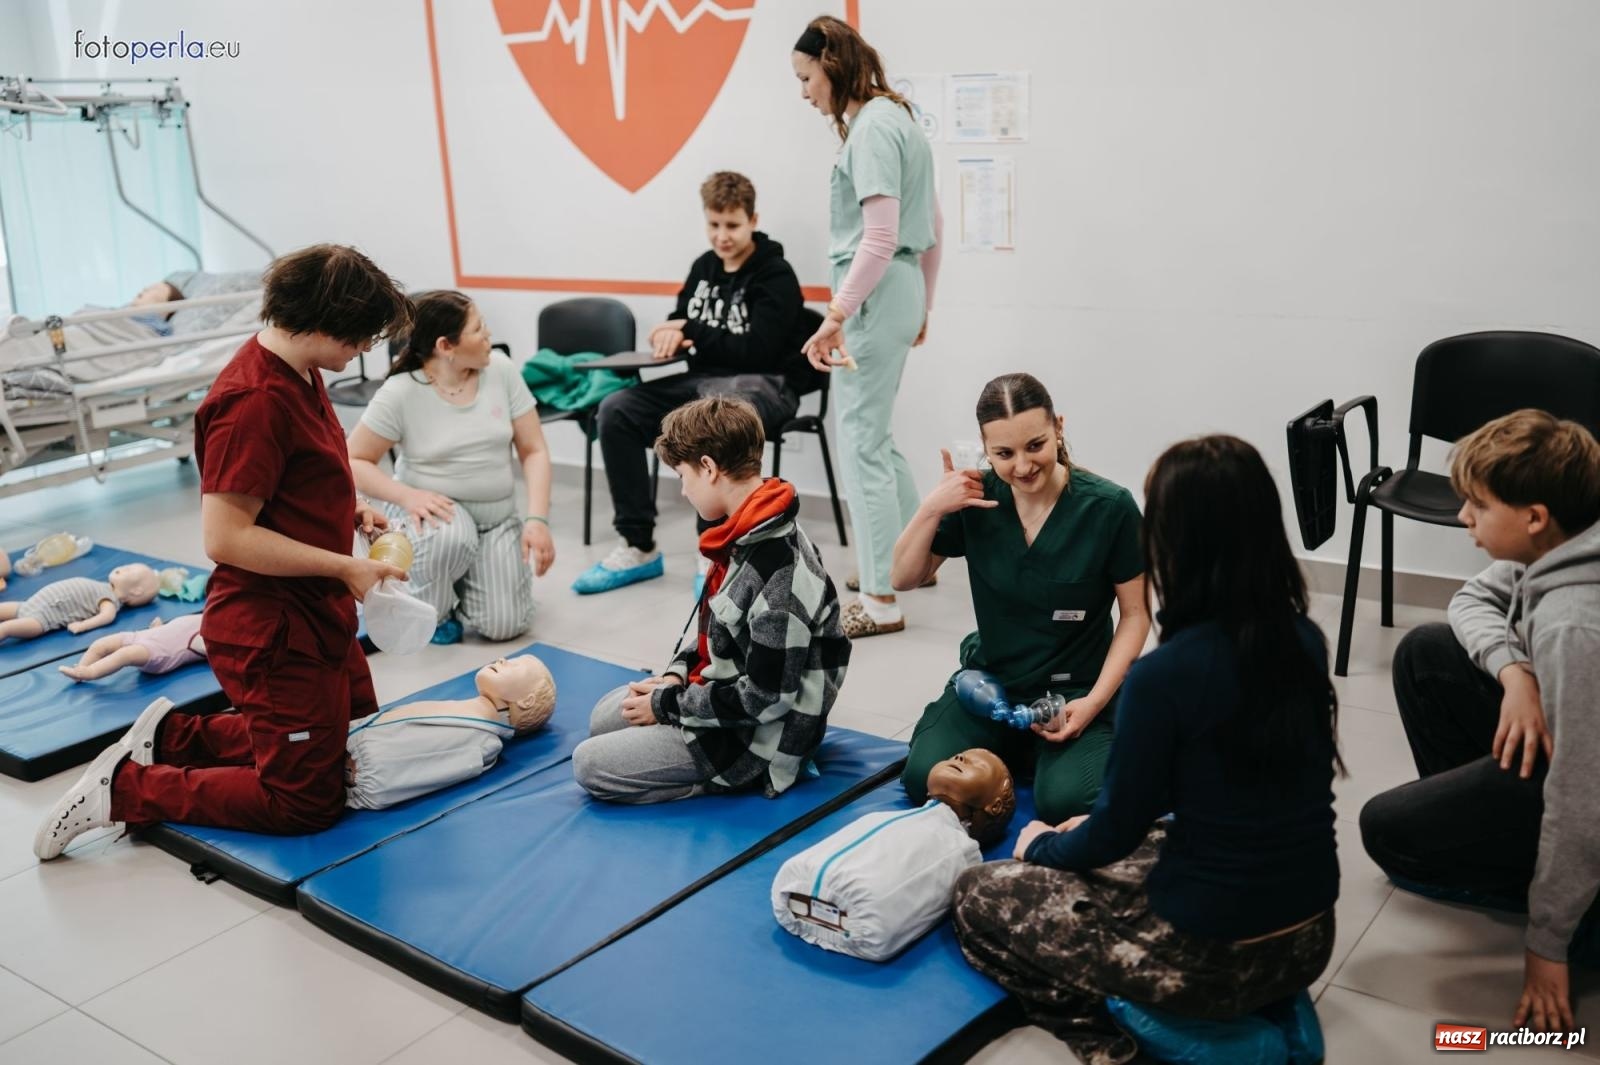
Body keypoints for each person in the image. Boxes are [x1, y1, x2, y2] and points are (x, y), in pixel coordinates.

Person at [952, 435, 1343, 1064]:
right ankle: (1277, 1012)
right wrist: (1105, 830)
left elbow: (1110, 834)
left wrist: (1041, 847)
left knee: (978, 893)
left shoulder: (1163, 678)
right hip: (1310, 936)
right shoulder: (1302, 639)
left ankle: (1124, 1039)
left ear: (1171, 540)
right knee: (1149, 843)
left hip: (1211, 959)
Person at [33, 243, 412, 860]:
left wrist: (350, 512)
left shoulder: (303, 371)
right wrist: (344, 566)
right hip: (273, 626)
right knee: (305, 803)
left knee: (355, 736)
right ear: (319, 321)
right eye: (361, 335)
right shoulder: (253, 401)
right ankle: (125, 789)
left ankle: (170, 737)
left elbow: (296, 482)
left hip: (316, 610)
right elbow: (227, 538)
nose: (365, 349)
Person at [1359, 409, 1600, 1034]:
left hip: (1588, 795)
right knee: (1427, 651)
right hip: (1565, 744)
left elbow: (1581, 798)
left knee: (1386, 832)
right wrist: (1515, 673)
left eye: (1477, 506)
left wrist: (1547, 944)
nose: (1463, 517)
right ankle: (1499, 836)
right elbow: (1471, 599)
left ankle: (1575, 916)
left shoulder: (1576, 623)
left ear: (1534, 517)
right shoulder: (1561, 541)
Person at [893, 374, 1149, 823]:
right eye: (1004, 454)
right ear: (985, 448)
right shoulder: (975, 498)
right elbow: (903, 577)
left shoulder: (1109, 508)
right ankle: (1021, 747)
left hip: (1075, 690)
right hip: (994, 685)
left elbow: (1135, 615)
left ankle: (1064, 750)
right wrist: (932, 507)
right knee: (924, 779)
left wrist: (1093, 702)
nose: (1023, 466)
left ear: (1059, 428)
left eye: (1036, 445)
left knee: (1067, 803)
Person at [572, 396, 850, 803]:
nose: (682, 491)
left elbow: (767, 699)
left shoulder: (782, 574)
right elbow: (715, 633)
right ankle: (673, 722)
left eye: (683, 476)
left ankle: (712, 781)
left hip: (750, 741)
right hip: (716, 691)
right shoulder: (745, 530)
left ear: (708, 467)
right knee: (603, 718)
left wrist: (668, 705)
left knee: (589, 764)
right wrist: (676, 676)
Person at [577, 171, 809, 595]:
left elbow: (759, 349)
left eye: (732, 225)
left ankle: (716, 552)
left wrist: (692, 329)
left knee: (715, 426)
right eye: (714, 225)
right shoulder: (703, 267)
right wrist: (670, 330)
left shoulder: (777, 274)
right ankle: (638, 544)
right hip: (702, 378)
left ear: (753, 220)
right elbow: (685, 321)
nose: (722, 236)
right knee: (616, 410)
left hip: (765, 383)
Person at [791, 16, 942, 637]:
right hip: (897, 293)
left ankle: (881, 597)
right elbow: (932, 224)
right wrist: (924, 304)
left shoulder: (874, 127)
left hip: (875, 296)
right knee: (875, 436)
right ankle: (914, 563)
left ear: (831, 62)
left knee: (859, 440)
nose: (804, 93)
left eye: (806, 78)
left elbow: (879, 238)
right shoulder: (896, 116)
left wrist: (835, 315)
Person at [347, 290, 556, 643]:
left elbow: (533, 449)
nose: (489, 336)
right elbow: (353, 460)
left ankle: (467, 587)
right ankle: (439, 609)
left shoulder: (501, 371)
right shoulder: (401, 391)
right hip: (436, 519)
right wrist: (407, 496)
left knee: (505, 625)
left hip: (496, 517)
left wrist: (537, 520)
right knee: (453, 538)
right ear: (446, 346)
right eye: (479, 329)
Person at [344, 654, 556, 810]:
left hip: (351, 767)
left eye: (514, 665)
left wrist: (355, 771)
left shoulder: (483, 743)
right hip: (349, 740)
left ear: (526, 702)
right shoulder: (469, 712)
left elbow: (424, 771)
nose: (502, 659)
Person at [0, 564, 159, 643]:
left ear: (136, 591)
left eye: (129, 570)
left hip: (42, 618)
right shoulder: (103, 587)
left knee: (6, 628)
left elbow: (107, 617)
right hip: (30, 604)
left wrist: (83, 625)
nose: (123, 567)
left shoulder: (109, 600)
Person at [59, 613, 205, 681]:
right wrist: (159, 628)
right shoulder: (209, 615)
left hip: (159, 652)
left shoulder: (212, 634)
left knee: (124, 655)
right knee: (100, 644)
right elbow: (178, 630)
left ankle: (89, 672)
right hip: (146, 635)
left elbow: (210, 647)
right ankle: (80, 668)